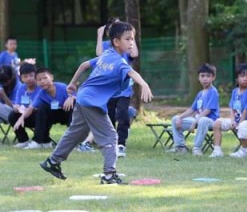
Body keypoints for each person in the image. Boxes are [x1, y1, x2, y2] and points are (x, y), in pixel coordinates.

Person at [40, 21, 153, 185]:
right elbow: (131, 72)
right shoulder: (120, 62)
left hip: (83, 97)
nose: (131, 42)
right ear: (116, 41)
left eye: (133, 39)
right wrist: (144, 84)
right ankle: (109, 175)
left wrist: (72, 83)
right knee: (110, 136)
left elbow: (84, 65)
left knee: (76, 133)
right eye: (128, 39)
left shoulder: (106, 55)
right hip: (92, 102)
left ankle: (52, 162)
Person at [95, 17, 138, 157]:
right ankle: (110, 142)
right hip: (110, 90)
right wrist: (100, 36)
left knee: (123, 115)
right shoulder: (108, 46)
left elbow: (134, 54)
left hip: (124, 90)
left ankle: (121, 143)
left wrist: (132, 37)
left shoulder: (126, 45)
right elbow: (99, 55)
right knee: (109, 116)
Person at [14, 67, 75, 149]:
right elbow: (31, 108)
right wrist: (21, 118)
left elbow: (77, 95)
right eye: (39, 80)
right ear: (36, 82)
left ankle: (74, 142)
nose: (42, 81)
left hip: (67, 113)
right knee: (42, 108)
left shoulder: (63, 87)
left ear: (52, 77)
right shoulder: (41, 94)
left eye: (45, 78)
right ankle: (40, 141)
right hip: (53, 115)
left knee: (73, 105)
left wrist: (71, 97)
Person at [168, 63, 219, 155]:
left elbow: (207, 111)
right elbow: (192, 109)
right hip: (198, 120)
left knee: (203, 120)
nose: (205, 78)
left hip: (210, 121)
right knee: (175, 119)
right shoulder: (200, 93)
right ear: (198, 78)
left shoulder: (213, 92)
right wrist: (180, 117)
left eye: (208, 76)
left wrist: (195, 122)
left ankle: (197, 148)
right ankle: (180, 147)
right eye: (202, 76)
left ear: (213, 77)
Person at [209, 63, 247, 158]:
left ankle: (244, 150)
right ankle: (217, 150)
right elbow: (232, 108)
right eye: (242, 76)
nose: (245, 78)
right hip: (236, 121)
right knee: (217, 123)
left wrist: (239, 123)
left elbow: (246, 110)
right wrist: (232, 121)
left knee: (243, 126)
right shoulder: (234, 92)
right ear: (237, 78)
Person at [8, 62, 41, 148]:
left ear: (36, 76)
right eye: (25, 76)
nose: (28, 79)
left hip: (38, 116)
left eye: (31, 75)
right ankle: (23, 140)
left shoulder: (41, 87)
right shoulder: (21, 88)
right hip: (24, 116)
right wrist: (16, 107)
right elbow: (17, 103)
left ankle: (37, 141)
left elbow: (40, 105)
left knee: (40, 113)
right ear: (21, 78)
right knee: (12, 115)